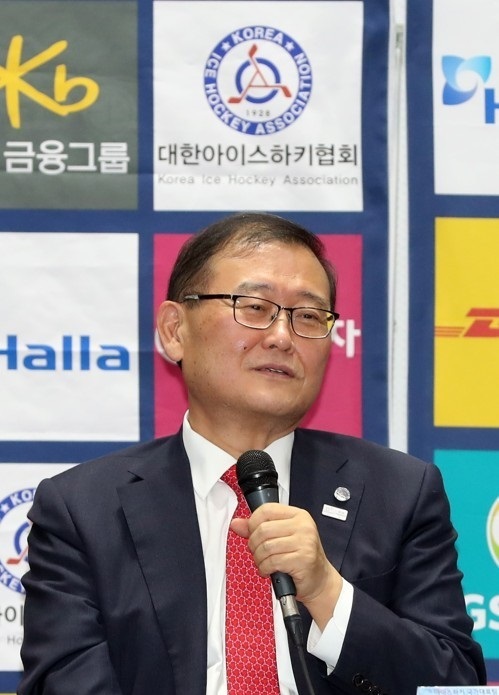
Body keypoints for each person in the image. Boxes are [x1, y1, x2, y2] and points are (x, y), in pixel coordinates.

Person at [19, 212, 485, 695]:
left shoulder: (400, 492)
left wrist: (328, 591)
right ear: (175, 330)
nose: (282, 336)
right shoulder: (82, 509)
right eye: (255, 306)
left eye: (308, 316)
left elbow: (451, 684)